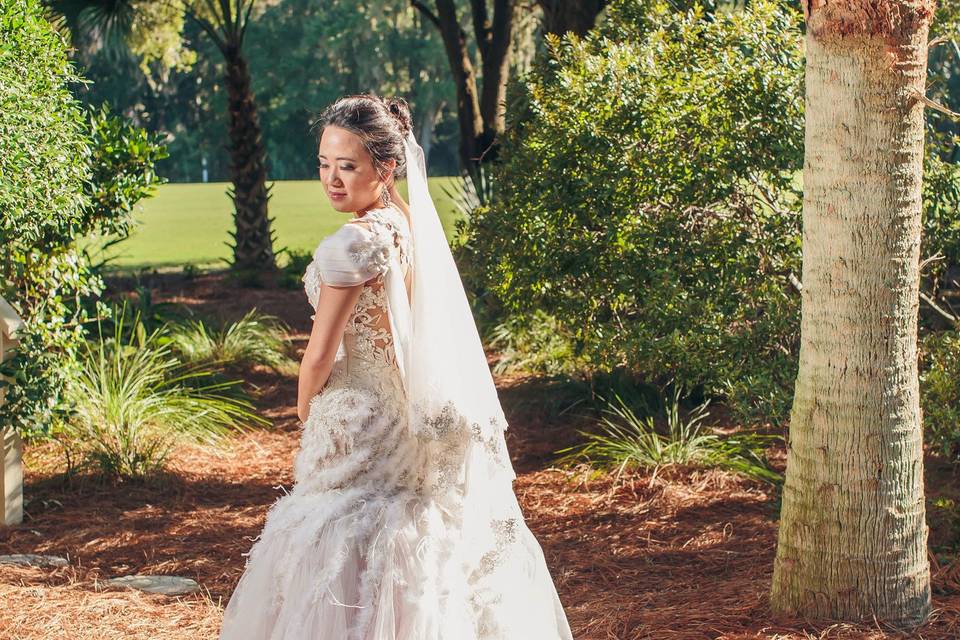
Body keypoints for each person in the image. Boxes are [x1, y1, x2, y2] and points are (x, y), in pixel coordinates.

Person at [218, 94, 574, 640]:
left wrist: (304, 408)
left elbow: (318, 353)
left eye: (347, 166)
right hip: (406, 413)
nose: (331, 180)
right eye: (323, 164)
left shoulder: (351, 245)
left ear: (385, 167)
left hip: (358, 419)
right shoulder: (404, 225)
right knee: (409, 540)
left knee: (339, 543)